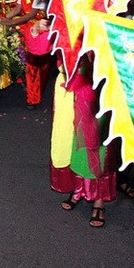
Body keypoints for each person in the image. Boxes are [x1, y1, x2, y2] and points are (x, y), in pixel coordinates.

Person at [50, 53, 116, 228]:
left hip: (102, 87)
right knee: (75, 144)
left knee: (99, 144)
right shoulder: (70, 28)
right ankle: (79, 189)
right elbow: (45, 48)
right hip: (74, 90)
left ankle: (99, 202)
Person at [0, 0, 51, 109]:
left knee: (34, 66)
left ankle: (33, 97)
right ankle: (28, 89)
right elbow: (17, 9)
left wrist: (11, 23)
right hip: (27, 28)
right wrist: (3, 19)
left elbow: (33, 14)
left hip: (39, 29)